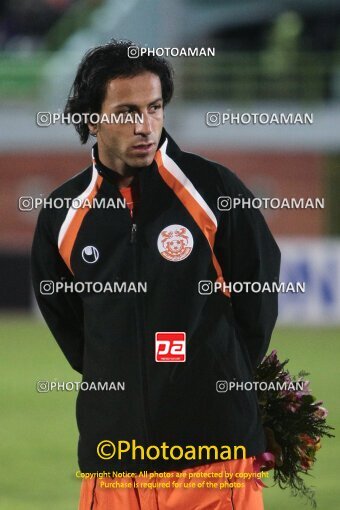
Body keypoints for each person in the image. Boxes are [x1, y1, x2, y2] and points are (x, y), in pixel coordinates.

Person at [31, 39, 281, 510]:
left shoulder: (215, 190)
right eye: (127, 111)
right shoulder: (62, 214)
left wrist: (218, 377)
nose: (144, 125)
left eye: (154, 107)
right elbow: (72, 330)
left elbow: (257, 300)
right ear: (92, 118)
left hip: (212, 456)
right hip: (114, 460)